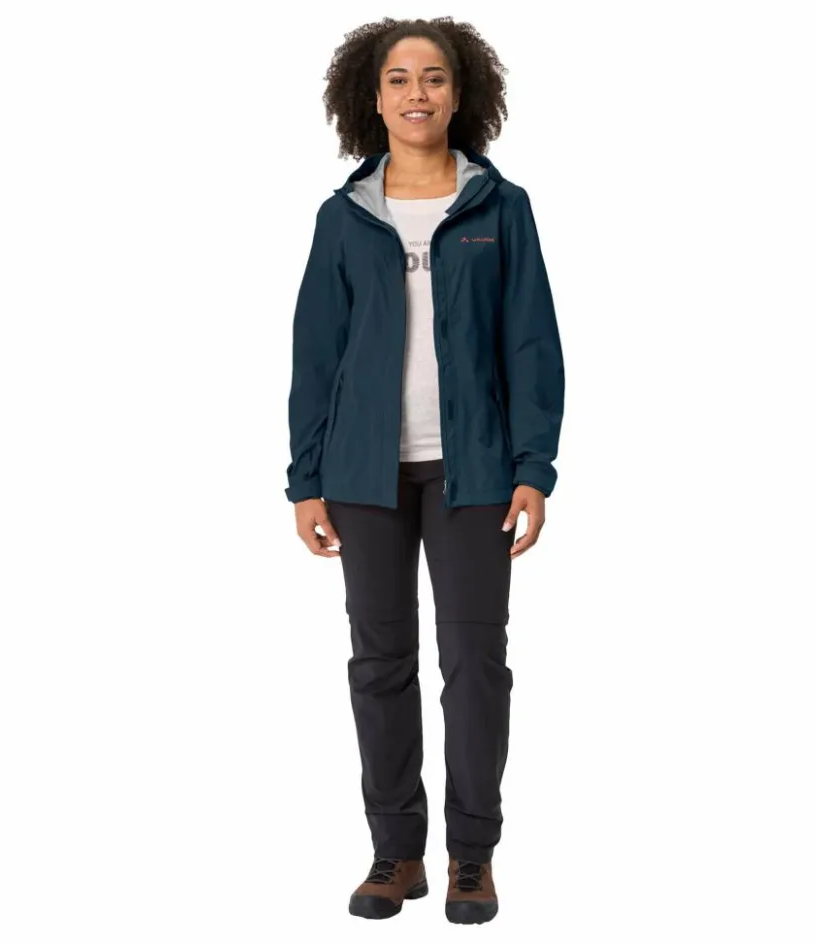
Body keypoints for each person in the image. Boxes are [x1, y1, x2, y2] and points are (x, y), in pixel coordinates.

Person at [284, 16, 564, 925]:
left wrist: (534, 467)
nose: (417, 93)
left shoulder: (500, 208)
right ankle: (395, 852)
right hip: (362, 475)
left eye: (434, 78)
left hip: (474, 472)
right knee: (379, 663)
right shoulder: (343, 217)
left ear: (460, 93)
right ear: (371, 99)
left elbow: (532, 343)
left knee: (475, 663)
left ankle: (471, 856)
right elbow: (316, 353)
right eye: (399, 79)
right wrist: (305, 478)